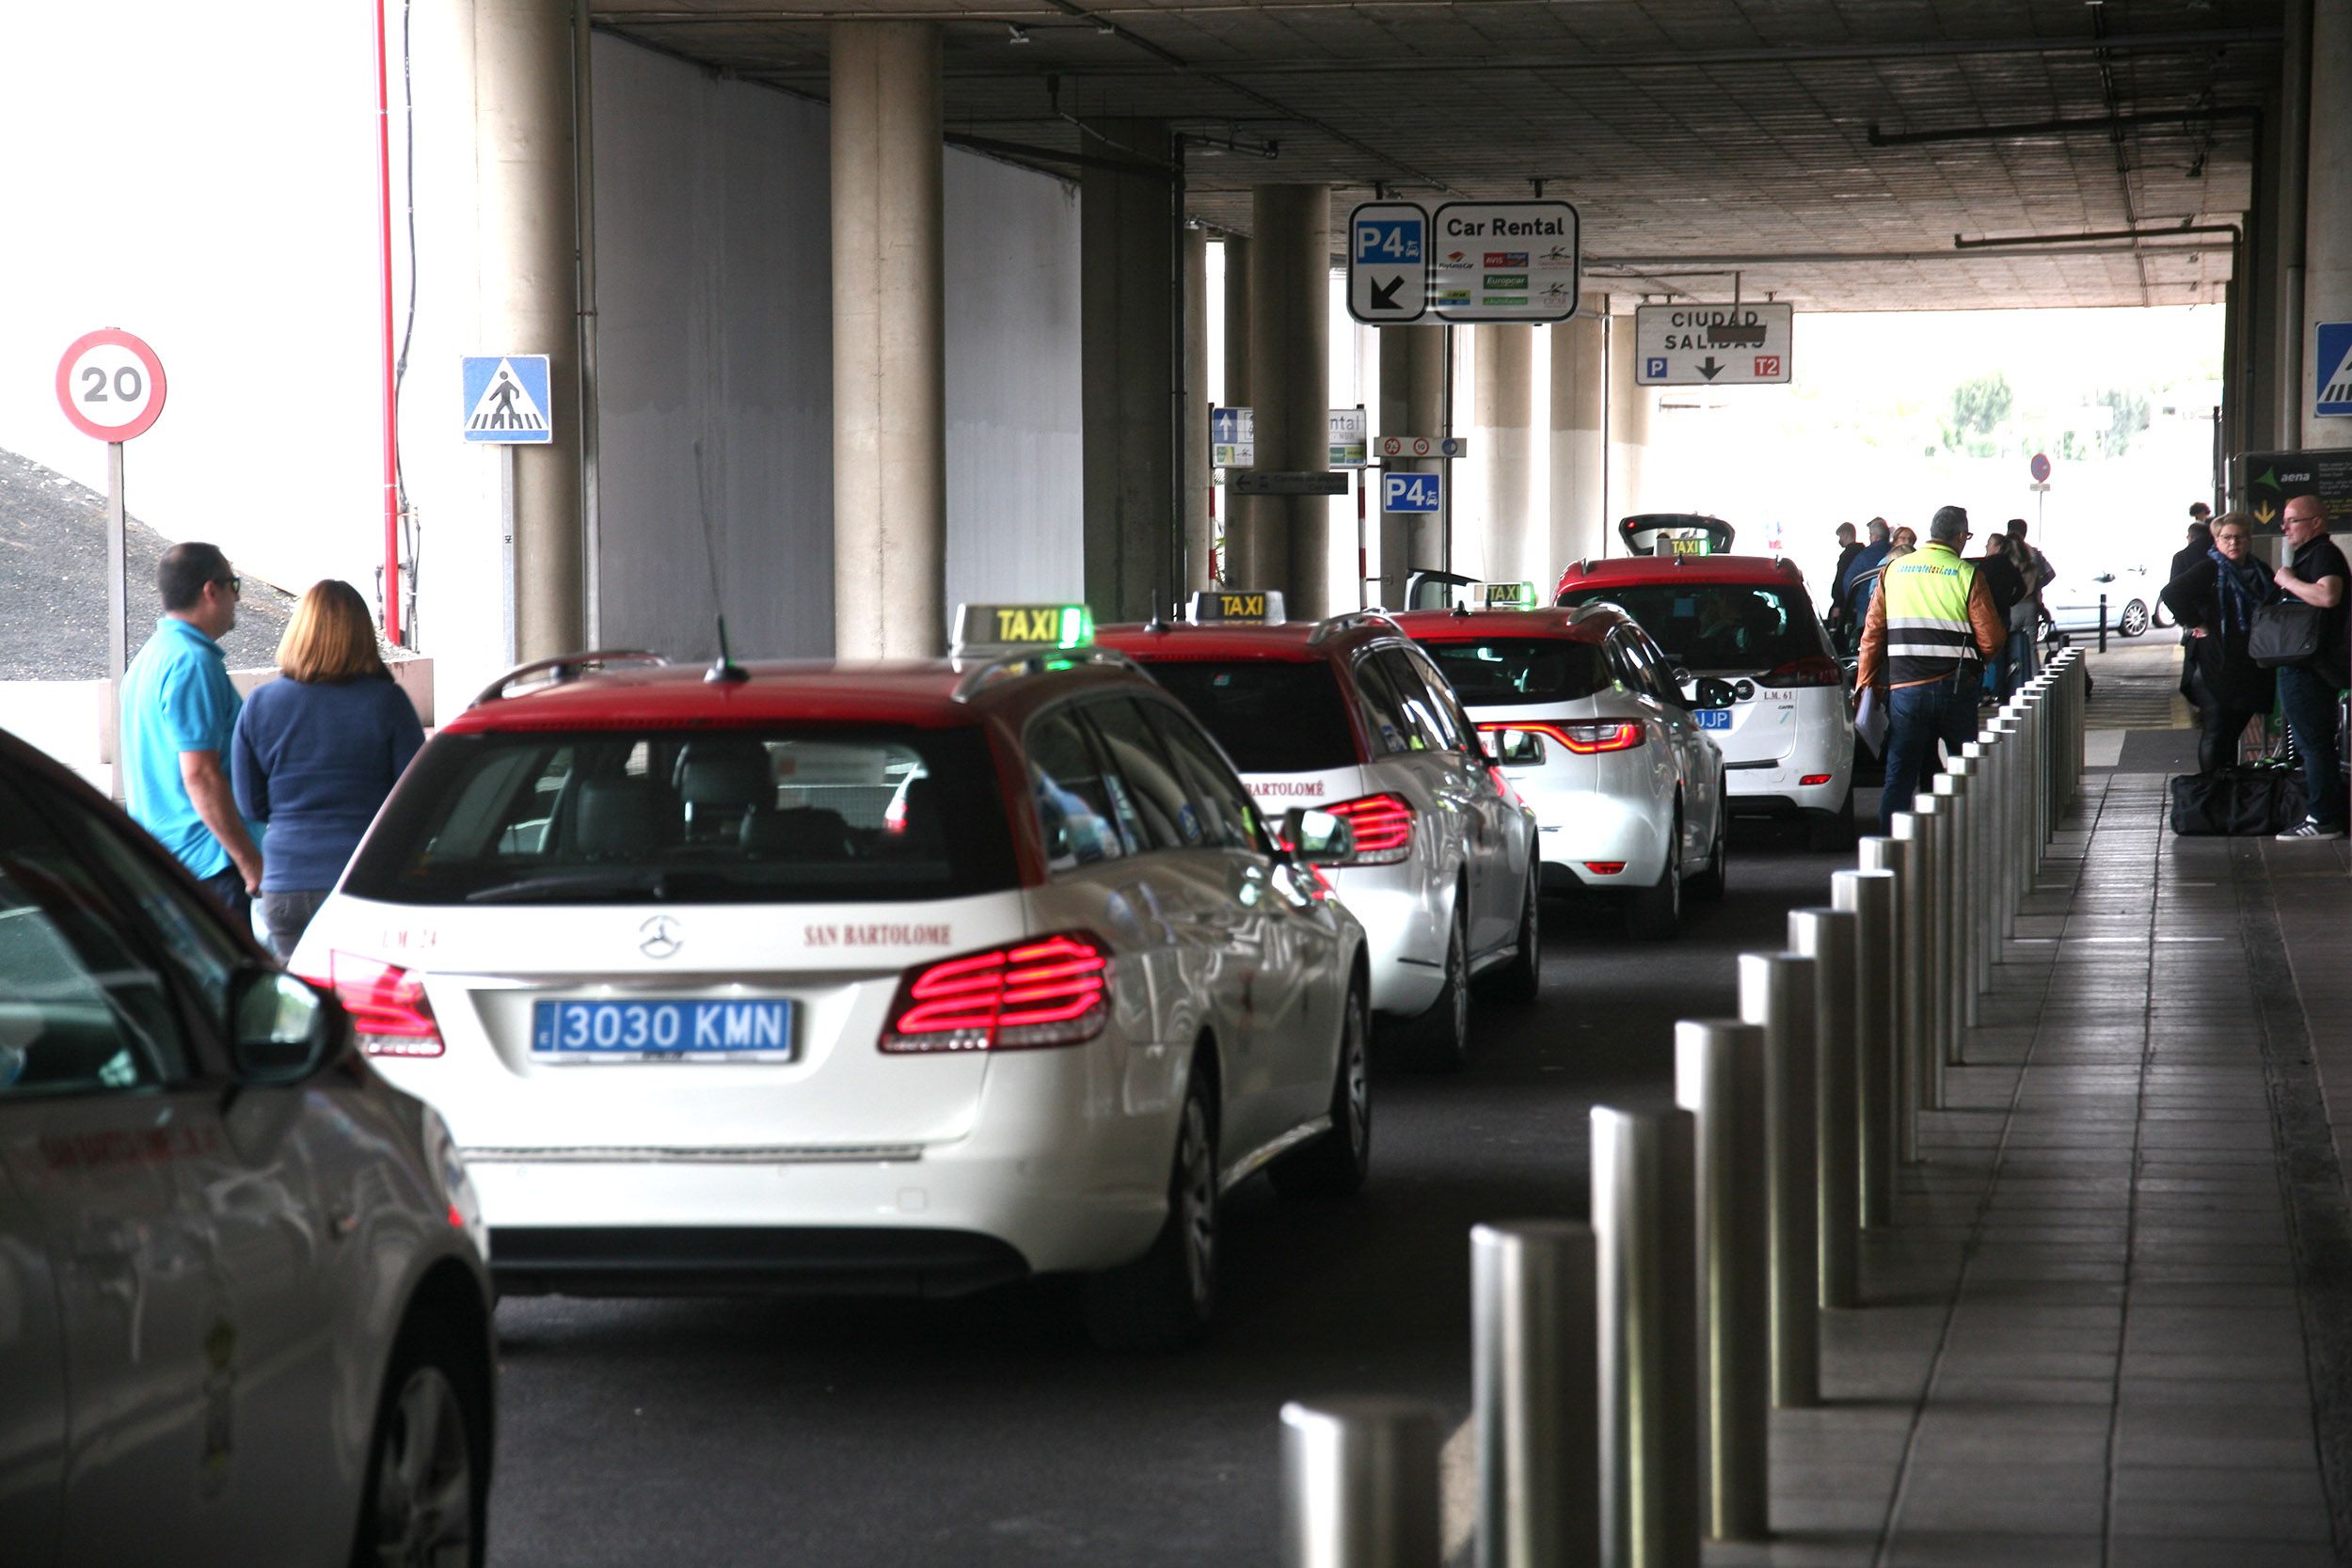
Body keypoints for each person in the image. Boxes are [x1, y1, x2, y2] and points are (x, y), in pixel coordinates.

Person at [230, 579, 425, 956]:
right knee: (362, 1003)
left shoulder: (261, 704)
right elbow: (414, 801)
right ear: (361, 636)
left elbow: (250, 806)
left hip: (285, 883)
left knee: (300, 1006)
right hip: (363, 884)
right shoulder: (388, 703)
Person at [120, 543, 263, 920]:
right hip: (211, 863)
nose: (236, 598)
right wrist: (250, 863)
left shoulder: (149, 659)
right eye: (233, 584)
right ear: (210, 590)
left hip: (166, 862)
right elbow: (199, 774)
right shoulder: (192, 663)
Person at [1855, 506, 2005, 833]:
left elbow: (1872, 635)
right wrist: (1974, 663)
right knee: (1965, 771)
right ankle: (1967, 838)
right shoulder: (1967, 574)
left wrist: (1866, 685)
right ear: (1960, 536)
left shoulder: (1893, 571)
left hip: (1906, 692)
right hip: (1956, 689)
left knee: (1900, 775)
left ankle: (1887, 852)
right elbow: (1992, 639)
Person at [2159, 512, 2275, 776]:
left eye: (2240, 537)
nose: (2234, 543)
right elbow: (2171, 593)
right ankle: (2213, 787)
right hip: (2214, 664)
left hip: (2248, 664)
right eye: (2227, 537)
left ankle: (2227, 783)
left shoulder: (2259, 570)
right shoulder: (2210, 568)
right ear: (2217, 540)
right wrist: (2196, 622)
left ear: (2249, 539)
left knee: (2232, 731)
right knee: (2216, 730)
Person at [2270, 496, 2349, 839]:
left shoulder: (2323, 554)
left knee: (2313, 744)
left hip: (2311, 666)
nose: (2285, 527)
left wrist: (2287, 581)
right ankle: (2327, 814)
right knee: (2314, 743)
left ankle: (2322, 818)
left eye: (2292, 521)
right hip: (2306, 663)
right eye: (2284, 522)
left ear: (2316, 522)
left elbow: (2328, 596)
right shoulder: (2311, 554)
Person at [1975, 531, 2026, 704]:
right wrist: (2010, 601)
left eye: (1988, 544)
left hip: (1985, 616)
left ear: (1997, 547)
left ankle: (1980, 693)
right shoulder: (2010, 565)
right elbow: (2022, 588)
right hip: (2003, 614)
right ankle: (1999, 693)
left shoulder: (1984, 566)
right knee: (2001, 655)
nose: (1986, 548)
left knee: (1979, 656)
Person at [2169, 518, 2215, 706]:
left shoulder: (2181, 557)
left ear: (2190, 537)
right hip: (2217, 619)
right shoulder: (2219, 555)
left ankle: (2201, 704)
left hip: (2196, 621)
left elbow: (2172, 590)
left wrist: (2189, 621)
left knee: (2194, 663)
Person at [1826, 522, 1862, 637]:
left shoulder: (1847, 555)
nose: (1840, 540)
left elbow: (1841, 580)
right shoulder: (1862, 552)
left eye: (1840, 536)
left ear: (1846, 534)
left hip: (1846, 604)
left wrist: (1837, 603)